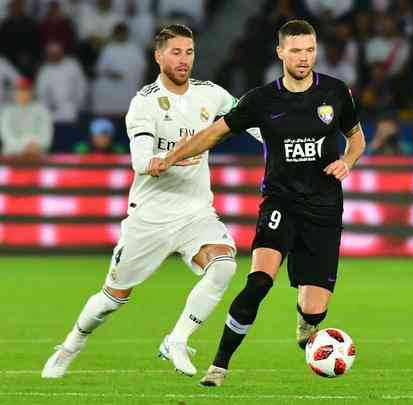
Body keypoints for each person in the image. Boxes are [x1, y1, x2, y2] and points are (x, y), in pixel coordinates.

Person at [149, 19, 366, 387]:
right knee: (259, 281)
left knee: (316, 309)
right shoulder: (262, 100)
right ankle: (219, 365)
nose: (303, 57)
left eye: (309, 49)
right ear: (280, 52)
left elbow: (356, 138)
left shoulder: (335, 92)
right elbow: (213, 133)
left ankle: (307, 321)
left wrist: (348, 160)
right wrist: (170, 158)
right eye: (295, 50)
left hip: (325, 208)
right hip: (280, 202)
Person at [42, 24, 243, 380]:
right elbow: (140, 159)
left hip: (196, 212)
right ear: (158, 56)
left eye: (190, 52)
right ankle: (71, 344)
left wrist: (276, 140)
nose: (184, 60)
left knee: (225, 265)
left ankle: (177, 339)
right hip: (150, 218)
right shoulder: (144, 102)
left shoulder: (211, 94)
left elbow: (250, 119)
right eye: (176, 52)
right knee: (111, 299)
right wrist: (157, 161)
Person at [0, 77, 53, 161]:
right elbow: (7, 137)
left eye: (25, 90)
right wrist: (26, 146)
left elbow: (46, 138)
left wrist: (35, 146)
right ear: (14, 93)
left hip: (37, 156)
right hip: (11, 156)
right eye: (19, 90)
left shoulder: (43, 111)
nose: (22, 94)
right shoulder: (7, 112)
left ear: (32, 92)